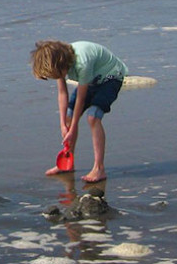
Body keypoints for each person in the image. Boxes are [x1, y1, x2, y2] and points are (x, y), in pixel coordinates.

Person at [31, 39, 127, 183]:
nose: (58, 78)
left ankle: (99, 168)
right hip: (93, 79)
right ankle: (68, 163)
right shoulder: (59, 64)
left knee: (93, 116)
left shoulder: (82, 62)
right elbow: (63, 93)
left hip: (111, 77)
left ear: (62, 63)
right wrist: (63, 124)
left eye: (57, 75)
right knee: (69, 117)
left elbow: (81, 100)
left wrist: (73, 127)